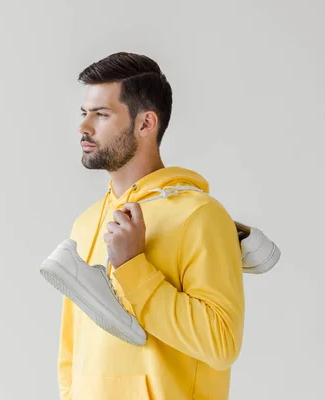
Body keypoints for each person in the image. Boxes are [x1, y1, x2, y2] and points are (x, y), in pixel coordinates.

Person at [56, 52, 245, 400]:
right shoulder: (84, 224)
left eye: (102, 114)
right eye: (84, 113)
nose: (84, 127)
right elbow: (72, 351)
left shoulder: (199, 215)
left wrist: (133, 268)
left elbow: (222, 343)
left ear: (146, 124)